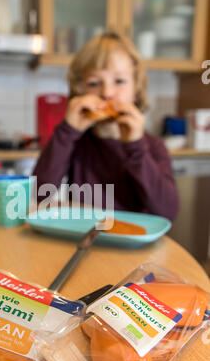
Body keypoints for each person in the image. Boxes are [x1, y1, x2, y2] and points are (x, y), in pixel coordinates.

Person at [33, 31, 179, 221]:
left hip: (133, 244)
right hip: (84, 239)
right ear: (80, 91)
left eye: (119, 81)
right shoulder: (74, 143)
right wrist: (67, 131)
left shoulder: (153, 146)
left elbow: (167, 212)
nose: (107, 93)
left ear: (136, 89)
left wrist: (136, 148)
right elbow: (39, 195)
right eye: (94, 83)